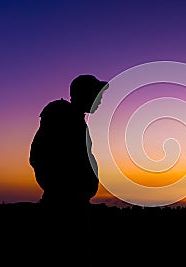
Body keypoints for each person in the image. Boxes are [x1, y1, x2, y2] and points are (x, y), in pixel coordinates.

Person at [29, 74, 109, 266]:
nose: (100, 101)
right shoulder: (62, 118)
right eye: (97, 95)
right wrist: (63, 190)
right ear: (84, 95)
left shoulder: (76, 121)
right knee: (68, 256)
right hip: (64, 208)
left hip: (74, 203)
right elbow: (39, 157)